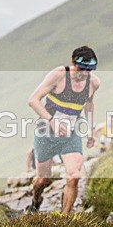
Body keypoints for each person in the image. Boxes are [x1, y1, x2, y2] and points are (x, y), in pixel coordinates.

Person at [26, 45, 100, 213]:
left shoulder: (93, 83)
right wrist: (52, 122)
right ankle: (35, 201)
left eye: (89, 70)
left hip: (70, 134)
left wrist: (90, 130)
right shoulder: (58, 76)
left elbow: (89, 105)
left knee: (73, 176)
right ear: (73, 62)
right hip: (46, 132)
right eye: (81, 69)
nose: (84, 74)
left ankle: (64, 220)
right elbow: (33, 100)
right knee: (42, 180)